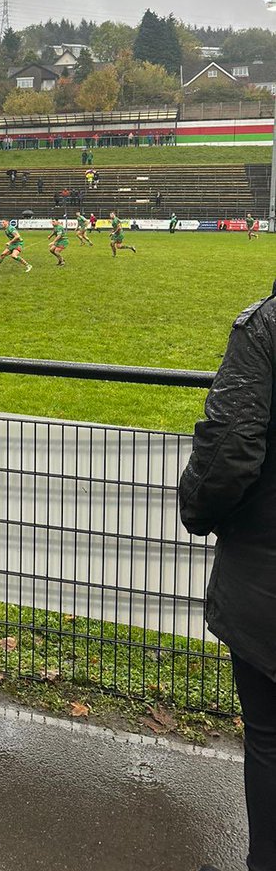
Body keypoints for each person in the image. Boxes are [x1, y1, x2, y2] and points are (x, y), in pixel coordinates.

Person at [179, 292, 276, 871]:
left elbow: (228, 449)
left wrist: (196, 508)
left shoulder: (266, 327)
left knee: (269, 738)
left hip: (267, 579)